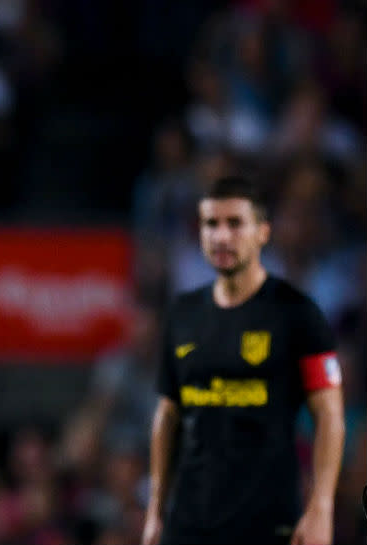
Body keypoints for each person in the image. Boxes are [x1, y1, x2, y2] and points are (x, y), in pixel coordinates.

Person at [142, 176, 345, 545]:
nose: (221, 236)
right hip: (189, 522)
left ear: (263, 232)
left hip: (268, 522)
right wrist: (155, 511)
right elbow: (167, 415)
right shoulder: (182, 314)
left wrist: (321, 507)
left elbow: (329, 414)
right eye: (211, 224)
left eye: (235, 223)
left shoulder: (297, 313)